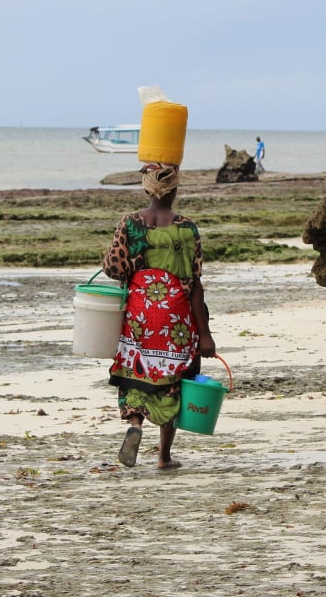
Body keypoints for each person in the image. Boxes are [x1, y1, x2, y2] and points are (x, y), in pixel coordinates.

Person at [101, 163, 216, 469]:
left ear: (146, 188)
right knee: (174, 378)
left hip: (140, 312)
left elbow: (114, 268)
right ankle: (164, 456)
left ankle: (136, 424)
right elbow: (195, 284)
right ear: (175, 190)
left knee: (136, 372)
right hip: (176, 316)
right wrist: (205, 334)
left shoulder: (129, 223)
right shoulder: (188, 228)